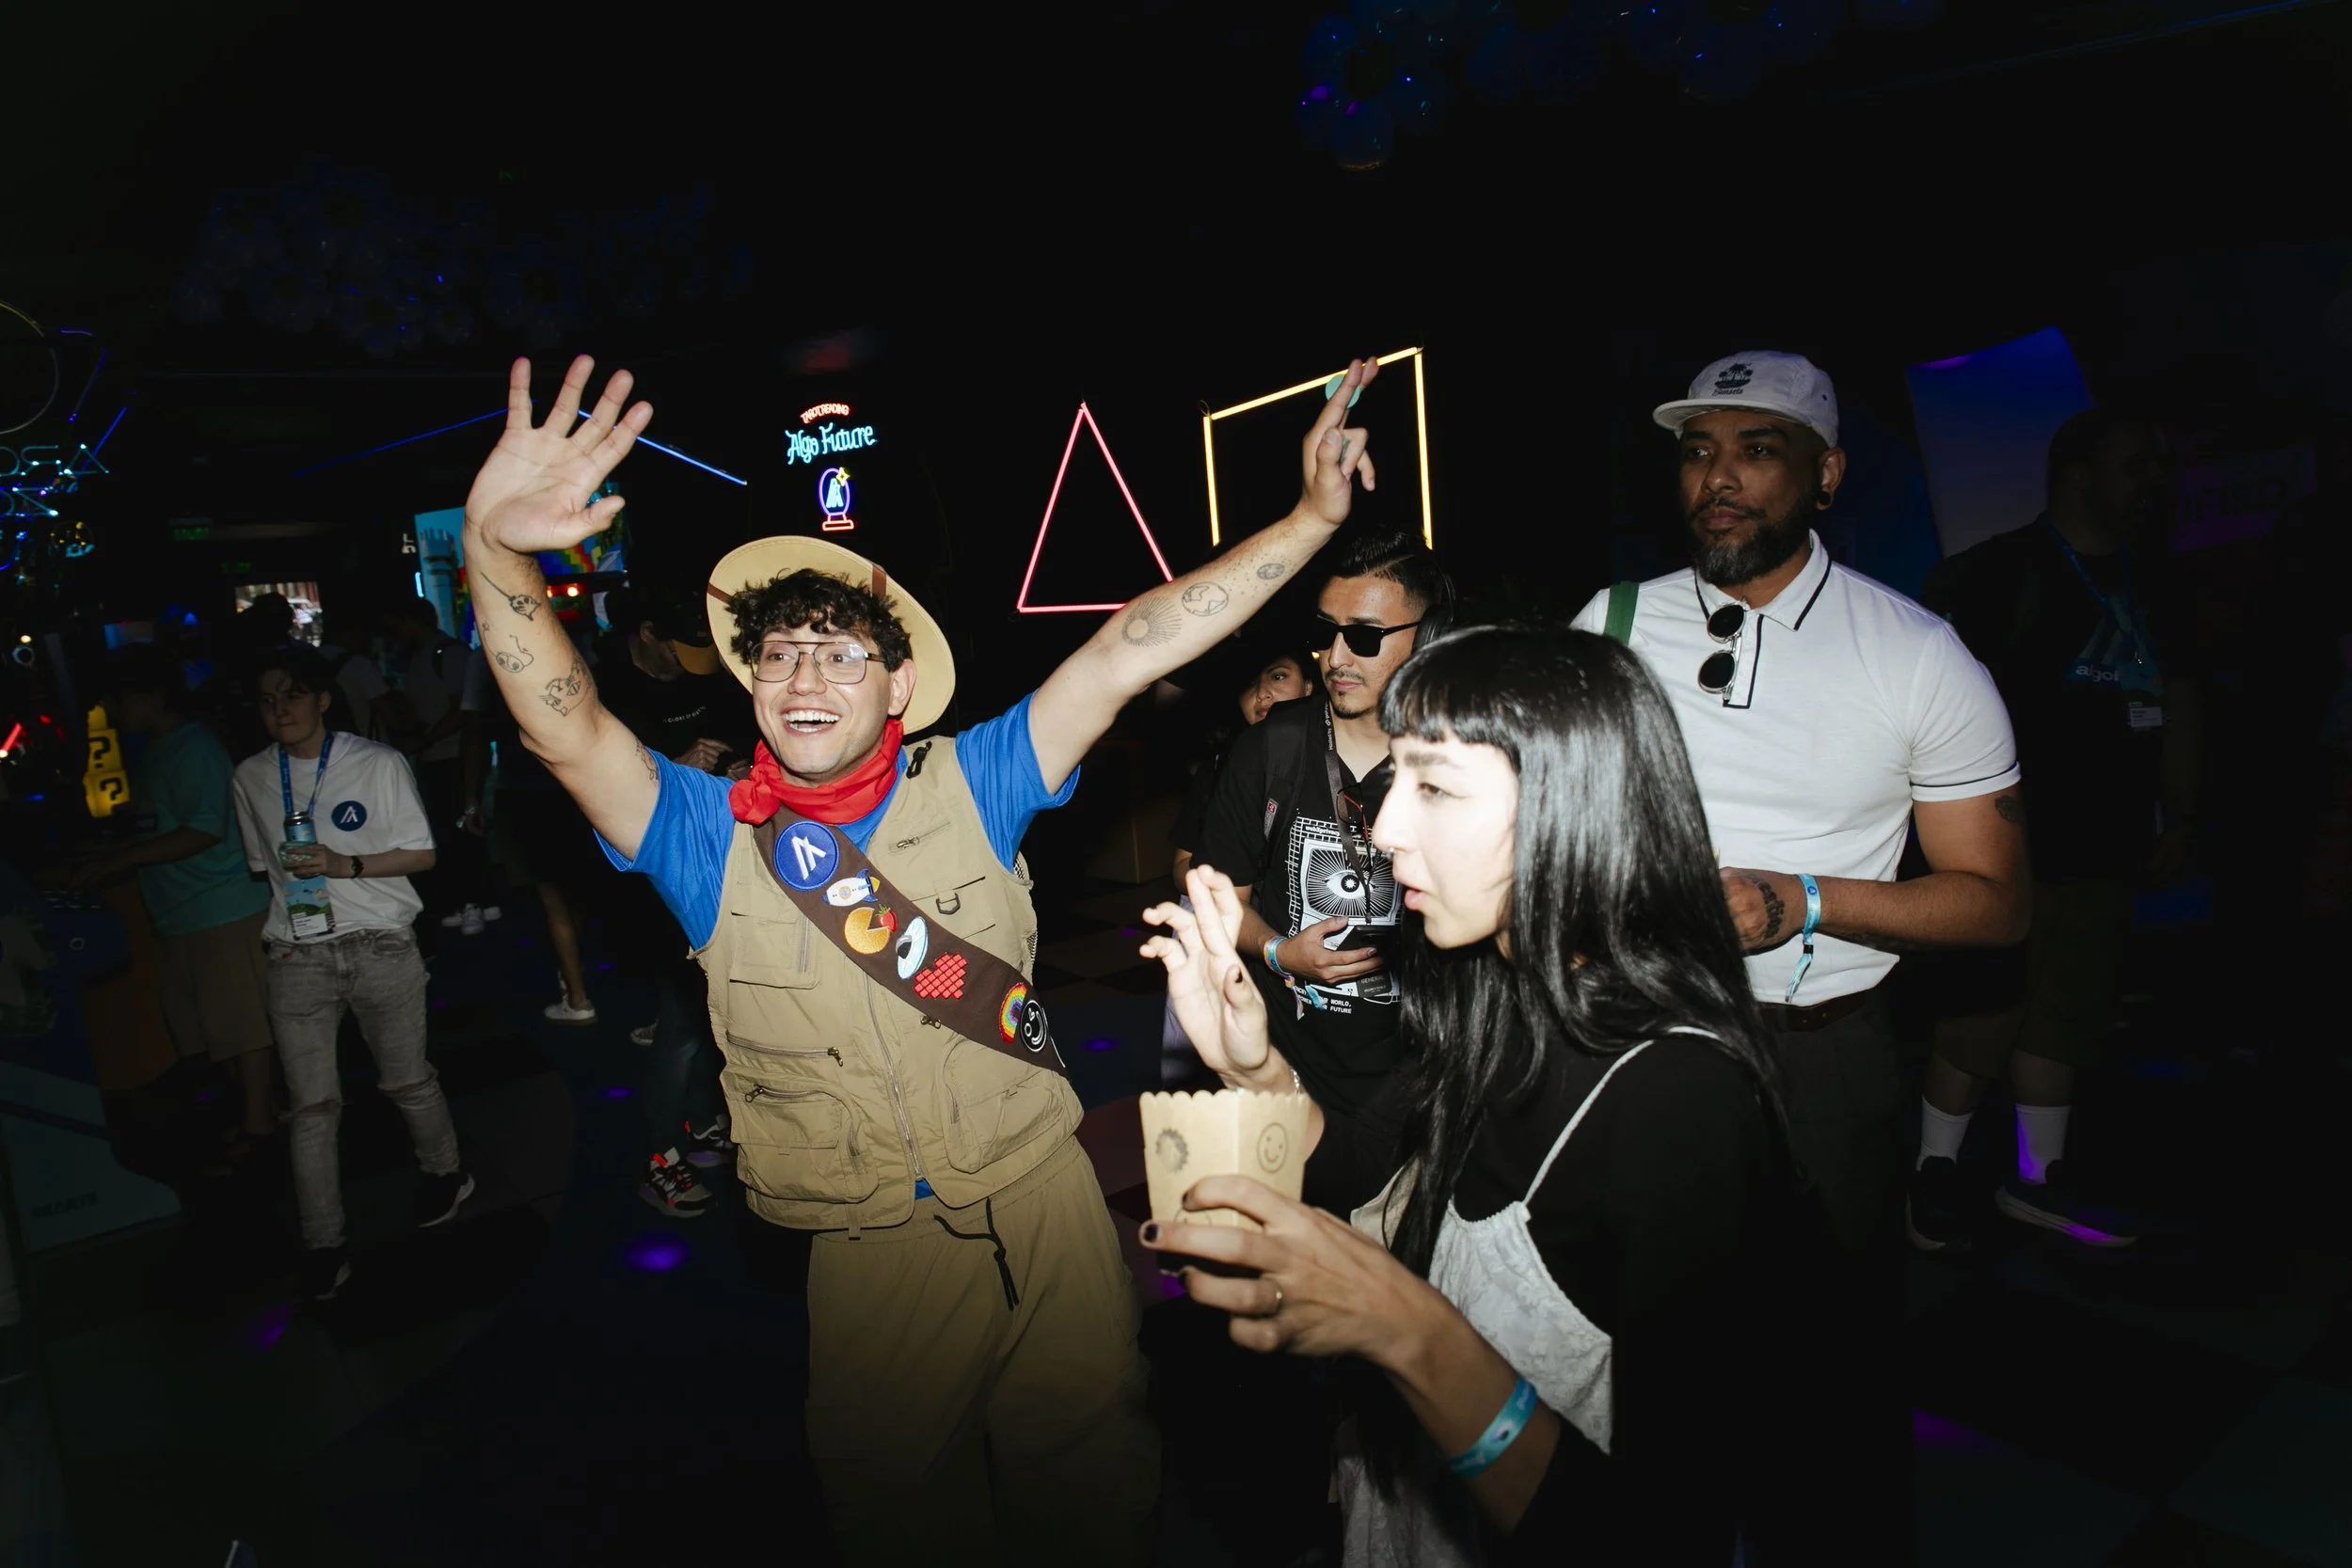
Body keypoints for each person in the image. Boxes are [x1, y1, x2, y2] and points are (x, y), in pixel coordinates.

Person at [455, 350, 1388, 1564]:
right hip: (869, 1254)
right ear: (750, 678)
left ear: (900, 683)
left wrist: (1312, 520)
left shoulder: (981, 779)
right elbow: (563, 722)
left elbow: (1130, 644)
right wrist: (490, 547)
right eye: (781, 649)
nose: (805, 674)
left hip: (1045, 1207)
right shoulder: (700, 834)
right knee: (900, 1521)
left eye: (842, 651)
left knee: (1097, 1497)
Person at [1139, 626, 1811, 1564]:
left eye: (1436, 787)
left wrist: (1408, 1331)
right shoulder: (1488, 993)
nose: (1381, 830)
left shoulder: (1679, 1095)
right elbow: (1349, 1161)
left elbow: (1661, 1532)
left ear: (1568, 808)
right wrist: (1255, 1067)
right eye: (1394, 781)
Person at [1568, 350, 2027, 1553]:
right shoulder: (1611, 625)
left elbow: (1993, 902)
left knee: (1832, 1385)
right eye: (1696, 450)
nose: (1717, 478)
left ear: (1823, 474)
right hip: (1639, 1049)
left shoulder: (1915, 651)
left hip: (1822, 1064)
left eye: (1754, 449)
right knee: (1645, 1358)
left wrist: (1803, 901)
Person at [1908, 409, 2198, 1249]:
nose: (2155, 480)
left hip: (2106, 846)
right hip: (2006, 850)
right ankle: (1934, 1173)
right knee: (1983, 1016)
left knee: (2068, 1014)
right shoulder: (1993, 575)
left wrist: (2182, 809)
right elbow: (1934, 709)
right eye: (2137, 461)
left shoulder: (2152, 582)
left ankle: (2038, 1178)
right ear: (2078, 471)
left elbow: (2179, 699)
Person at [230, 647, 472, 1300]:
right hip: (296, 952)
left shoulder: (378, 763)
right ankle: (324, 1242)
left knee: (405, 1080)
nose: (280, 709)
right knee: (311, 1108)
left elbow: (423, 852)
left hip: (381, 945)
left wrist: (345, 866)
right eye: (267, 699)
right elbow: (265, 865)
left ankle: (446, 1172)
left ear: (322, 700)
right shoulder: (251, 775)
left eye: (291, 695)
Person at [1190, 528, 1452, 1120]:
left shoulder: (1463, 756)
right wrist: (1280, 953)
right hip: (1290, 1075)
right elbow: (1217, 901)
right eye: (1324, 633)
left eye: (1363, 636)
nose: (1335, 657)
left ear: (1430, 636)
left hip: (1424, 1083)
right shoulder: (1270, 749)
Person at [74, 643, 278, 1158]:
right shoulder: (160, 750)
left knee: (239, 1027)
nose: (110, 713)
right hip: (184, 912)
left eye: (116, 700)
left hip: (220, 908)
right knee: (214, 1031)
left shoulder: (193, 748)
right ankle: (260, 1118)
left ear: (148, 695)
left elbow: (204, 829)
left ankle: (260, 1126)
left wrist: (124, 858)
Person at [593, 583, 758, 1212]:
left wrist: (739, 768)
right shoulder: (610, 695)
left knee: (707, 1014)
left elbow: (738, 740)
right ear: (643, 637)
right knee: (683, 1024)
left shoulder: (705, 681)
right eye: (677, 650)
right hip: (651, 879)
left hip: (717, 865)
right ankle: (659, 1155)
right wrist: (671, 764)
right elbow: (597, 791)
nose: (690, 663)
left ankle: (696, 1118)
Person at [380, 595, 489, 933]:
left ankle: (476, 901)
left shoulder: (448, 654)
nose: (394, 634)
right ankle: (472, 900)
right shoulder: (417, 659)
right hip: (435, 757)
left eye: (397, 625)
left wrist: (424, 739)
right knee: (449, 830)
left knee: (462, 827)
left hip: (455, 757)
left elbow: (463, 710)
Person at [1169, 642, 1318, 887]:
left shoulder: (1337, 757)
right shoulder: (1220, 765)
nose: (1261, 693)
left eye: (1278, 676)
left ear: (1308, 686)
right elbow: (1181, 867)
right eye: (1249, 683)